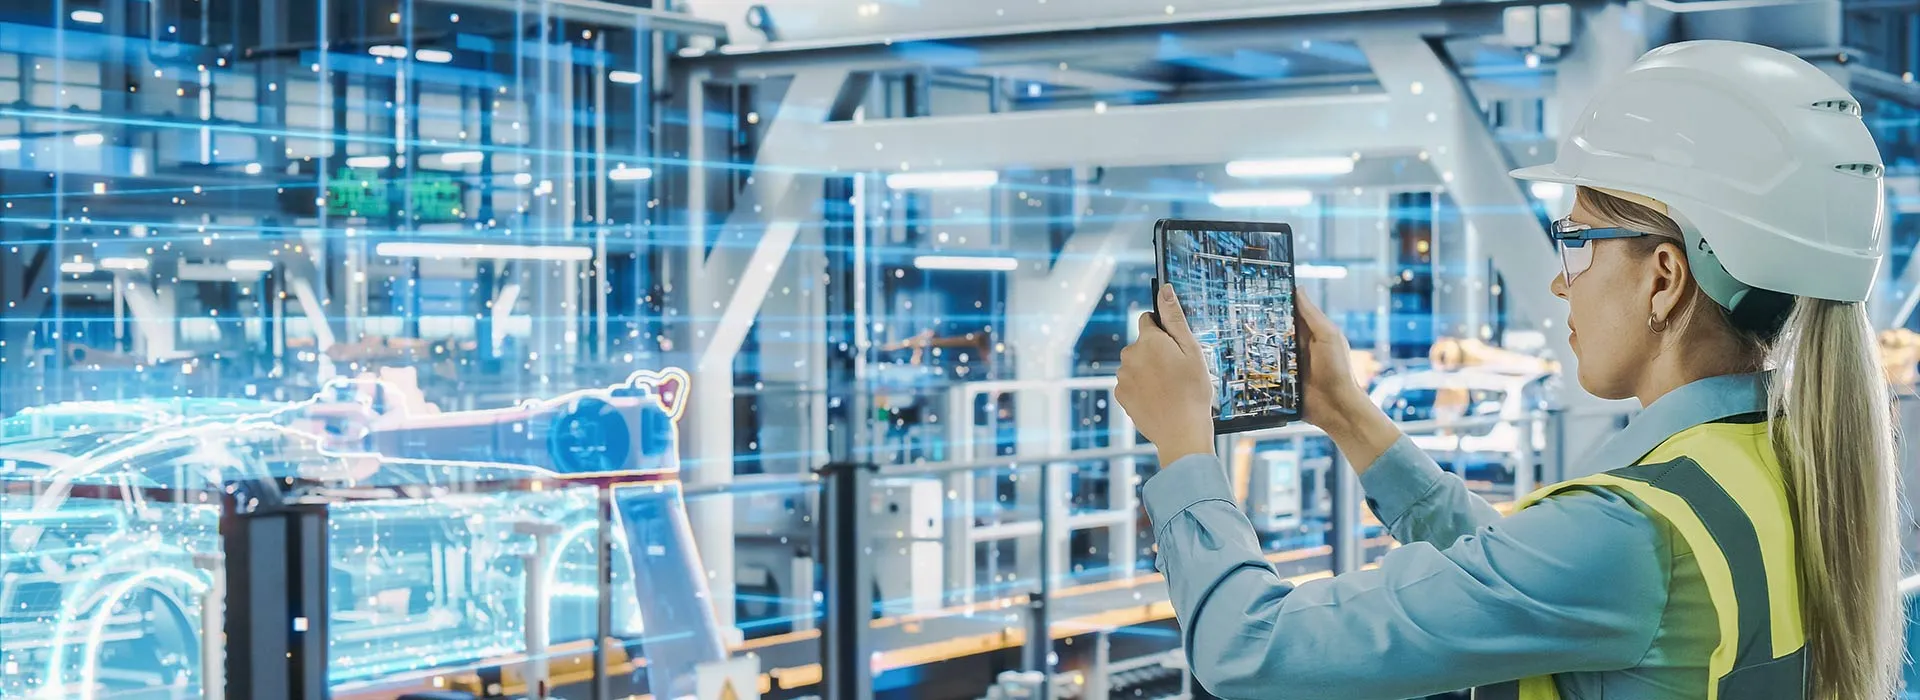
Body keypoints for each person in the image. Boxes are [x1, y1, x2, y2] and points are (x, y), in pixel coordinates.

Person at [1114, 40, 1903, 700]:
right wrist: (1347, 413)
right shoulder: (1774, 466)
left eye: (1577, 242)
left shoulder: (1630, 534)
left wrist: (1184, 450)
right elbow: (1533, 575)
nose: (1561, 282)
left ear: (1664, 277)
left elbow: (1248, 650)